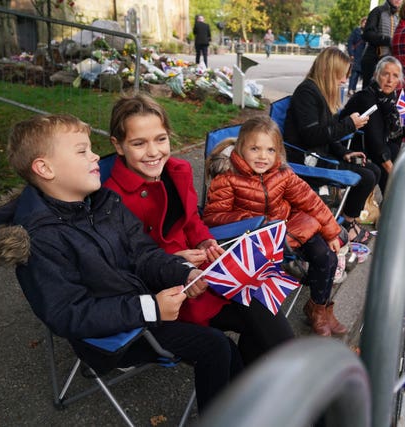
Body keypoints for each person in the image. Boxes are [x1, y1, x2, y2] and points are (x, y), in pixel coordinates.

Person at [0, 114, 243, 413]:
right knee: (215, 347)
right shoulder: (40, 239)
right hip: (109, 336)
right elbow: (66, 313)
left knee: (228, 340)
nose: (95, 155)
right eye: (81, 150)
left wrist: (185, 271)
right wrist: (150, 308)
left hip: (138, 303)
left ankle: (247, 410)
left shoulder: (102, 202)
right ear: (45, 168)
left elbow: (143, 253)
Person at [103, 93, 295, 365]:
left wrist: (204, 241)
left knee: (262, 300)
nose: (154, 151)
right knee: (252, 320)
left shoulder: (177, 170)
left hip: (202, 271)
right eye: (138, 143)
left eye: (160, 139)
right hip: (167, 291)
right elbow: (124, 261)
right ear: (118, 146)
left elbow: (192, 219)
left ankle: (265, 383)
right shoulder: (112, 198)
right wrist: (176, 261)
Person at [202, 116, 349, 338]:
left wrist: (332, 232)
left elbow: (310, 199)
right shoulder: (227, 177)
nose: (263, 156)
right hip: (256, 239)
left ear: (278, 152)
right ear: (241, 148)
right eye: (255, 148)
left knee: (327, 254)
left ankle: (318, 308)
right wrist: (251, 220)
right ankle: (296, 291)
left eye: (270, 150)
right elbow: (213, 216)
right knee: (303, 257)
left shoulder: (282, 173)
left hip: (289, 227)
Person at [283, 46, 378, 244]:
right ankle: (347, 224)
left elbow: (326, 133)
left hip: (319, 153)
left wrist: (344, 153)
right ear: (329, 71)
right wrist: (350, 125)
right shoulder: (306, 93)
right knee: (366, 176)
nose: (344, 80)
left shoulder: (319, 92)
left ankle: (345, 220)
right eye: (342, 75)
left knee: (373, 170)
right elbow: (312, 136)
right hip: (307, 159)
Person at [341, 56, 404, 195]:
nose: (390, 80)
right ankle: (393, 204)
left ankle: (392, 202)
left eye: (395, 76)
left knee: (394, 150)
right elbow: (375, 140)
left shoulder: (389, 100)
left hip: (371, 147)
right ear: (376, 75)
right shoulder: (367, 98)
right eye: (385, 74)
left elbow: (394, 135)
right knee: (386, 162)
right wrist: (393, 172)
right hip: (351, 148)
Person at [360, 0, 403, 89]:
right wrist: (388, 40)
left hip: (388, 61)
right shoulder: (378, 11)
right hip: (373, 60)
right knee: (369, 91)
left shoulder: (398, 17)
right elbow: (367, 34)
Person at [347, 17, 367, 95]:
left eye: (366, 23)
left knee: (363, 75)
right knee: (354, 74)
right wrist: (351, 54)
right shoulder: (356, 31)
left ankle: (360, 91)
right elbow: (350, 42)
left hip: (365, 57)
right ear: (361, 23)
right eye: (364, 22)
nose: (365, 24)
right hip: (356, 56)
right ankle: (351, 89)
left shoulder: (369, 33)